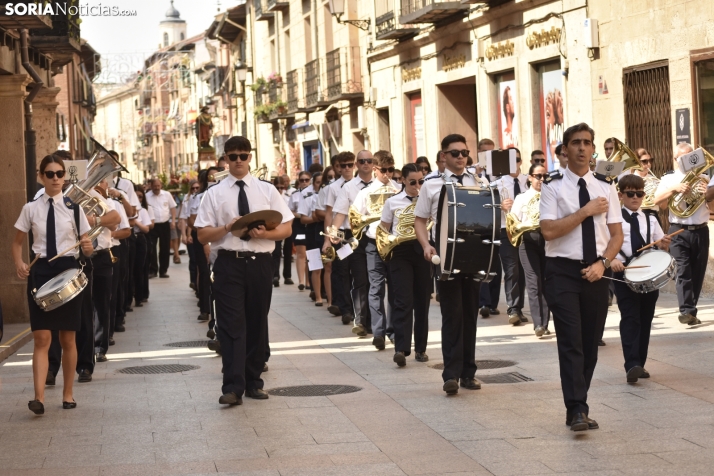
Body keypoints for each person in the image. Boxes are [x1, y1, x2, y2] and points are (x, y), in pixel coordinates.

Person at [195, 136, 293, 405]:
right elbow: (202, 235)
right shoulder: (213, 194)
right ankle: (232, 386)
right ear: (225, 158)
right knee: (230, 325)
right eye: (233, 156)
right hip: (229, 262)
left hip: (260, 262)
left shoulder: (267, 190)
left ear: (250, 157)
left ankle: (254, 382)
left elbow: (286, 227)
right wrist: (227, 227)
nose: (238, 161)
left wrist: (267, 233)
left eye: (243, 155)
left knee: (257, 321)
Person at [540, 122, 624, 431]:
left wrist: (603, 263)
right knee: (571, 341)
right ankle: (576, 408)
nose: (581, 148)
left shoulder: (606, 185)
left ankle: (579, 403)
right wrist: (585, 211)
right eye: (575, 142)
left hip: (596, 271)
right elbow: (548, 230)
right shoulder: (552, 185)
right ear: (565, 149)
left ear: (593, 149)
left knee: (590, 343)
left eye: (587, 142)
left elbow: (616, 236)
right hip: (561, 270)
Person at [12, 155, 94, 414]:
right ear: (41, 176)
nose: (56, 178)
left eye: (60, 174)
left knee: (68, 338)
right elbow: (16, 242)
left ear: (64, 177)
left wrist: (89, 248)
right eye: (50, 174)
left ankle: (68, 394)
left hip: (68, 270)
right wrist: (20, 263)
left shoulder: (74, 208)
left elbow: (86, 248)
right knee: (41, 337)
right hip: (41, 270)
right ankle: (39, 398)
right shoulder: (30, 208)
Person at [415, 133, 482, 396]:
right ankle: (451, 374)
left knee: (470, 314)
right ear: (444, 156)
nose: (461, 157)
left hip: (474, 254)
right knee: (452, 314)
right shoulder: (431, 185)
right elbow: (420, 220)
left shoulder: (478, 181)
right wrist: (426, 245)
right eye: (455, 153)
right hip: (445, 255)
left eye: (465, 153)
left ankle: (469, 372)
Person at [611, 174, 670, 383]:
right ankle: (631, 364)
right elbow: (605, 243)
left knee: (645, 319)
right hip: (624, 274)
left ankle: (640, 364)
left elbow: (660, 244)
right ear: (620, 195)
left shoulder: (651, 217)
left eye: (639, 194)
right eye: (630, 194)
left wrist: (663, 243)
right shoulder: (614, 217)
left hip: (648, 274)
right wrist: (613, 260)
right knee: (630, 317)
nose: (635, 198)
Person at [653, 142, 714, 326]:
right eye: (683, 157)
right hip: (678, 230)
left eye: (690, 155)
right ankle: (686, 310)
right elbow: (658, 203)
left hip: (701, 230)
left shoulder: (704, 178)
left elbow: (711, 209)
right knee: (683, 271)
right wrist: (674, 190)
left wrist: (708, 196)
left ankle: (691, 311)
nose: (687, 159)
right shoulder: (668, 179)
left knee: (698, 273)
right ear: (676, 159)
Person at [345, 150, 399, 348]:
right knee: (375, 288)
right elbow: (356, 218)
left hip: (395, 244)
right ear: (375, 169)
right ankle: (378, 332)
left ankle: (393, 331)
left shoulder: (399, 190)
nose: (387, 174)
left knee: (394, 288)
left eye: (391, 170)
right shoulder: (365, 193)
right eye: (384, 170)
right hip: (373, 243)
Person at [381, 163, 430, 367]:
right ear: (403, 180)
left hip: (424, 251)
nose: (417, 186)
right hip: (400, 252)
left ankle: (420, 349)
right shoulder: (392, 202)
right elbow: (383, 228)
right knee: (402, 300)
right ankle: (401, 348)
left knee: (422, 301)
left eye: (421, 181)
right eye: (413, 182)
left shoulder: (428, 201)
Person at [331, 150, 376, 336]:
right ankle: (361, 321)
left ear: (374, 164)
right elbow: (340, 212)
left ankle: (376, 322)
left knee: (376, 281)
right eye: (362, 161)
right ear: (357, 164)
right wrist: (333, 232)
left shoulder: (383, 185)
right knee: (360, 279)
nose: (366, 164)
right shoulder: (348, 187)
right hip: (355, 237)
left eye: (369, 161)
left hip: (377, 237)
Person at [511, 164, 550, 336]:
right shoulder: (522, 198)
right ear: (530, 177)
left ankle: (545, 322)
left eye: (544, 176)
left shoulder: (551, 196)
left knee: (547, 282)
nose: (541, 180)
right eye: (538, 176)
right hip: (527, 241)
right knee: (533, 282)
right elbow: (513, 221)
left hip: (548, 241)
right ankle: (538, 324)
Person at [494, 148, 528, 325]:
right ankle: (513, 309)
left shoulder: (529, 181)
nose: (514, 163)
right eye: (510, 160)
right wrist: (499, 205)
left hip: (526, 229)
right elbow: (487, 206)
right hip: (505, 229)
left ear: (521, 161)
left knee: (524, 270)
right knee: (511, 269)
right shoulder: (497, 184)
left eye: (517, 159)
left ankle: (519, 307)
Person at [322, 153, 357, 324]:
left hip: (359, 234)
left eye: (350, 165)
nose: (347, 169)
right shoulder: (333, 188)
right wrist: (327, 239)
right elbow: (329, 214)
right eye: (343, 166)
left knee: (358, 272)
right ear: (338, 167)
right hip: (342, 235)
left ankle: (358, 307)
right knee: (341, 271)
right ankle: (345, 309)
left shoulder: (361, 185)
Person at [313, 166, 338, 315]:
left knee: (336, 268)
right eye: (329, 177)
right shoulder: (324, 191)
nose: (332, 179)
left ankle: (335, 299)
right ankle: (321, 297)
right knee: (319, 266)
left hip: (339, 232)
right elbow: (317, 212)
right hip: (318, 231)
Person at [298, 172, 324, 306]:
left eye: (323, 181)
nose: (321, 184)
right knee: (315, 265)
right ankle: (317, 294)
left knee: (329, 266)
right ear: (314, 184)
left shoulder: (330, 195)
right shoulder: (308, 197)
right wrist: (315, 218)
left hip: (326, 230)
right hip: (312, 231)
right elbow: (303, 219)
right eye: (318, 182)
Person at [145, 178, 177, 278]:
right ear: (151, 186)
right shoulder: (147, 196)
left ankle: (163, 270)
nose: (157, 188)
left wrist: (173, 221)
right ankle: (153, 270)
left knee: (165, 247)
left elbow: (172, 208)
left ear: (161, 185)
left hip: (164, 224)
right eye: (155, 186)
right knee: (151, 247)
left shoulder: (167, 194)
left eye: (158, 186)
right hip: (152, 225)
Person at [288, 171, 311, 290]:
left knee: (310, 253)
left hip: (311, 225)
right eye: (301, 180)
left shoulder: (315, 194)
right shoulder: (295, 195)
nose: (304, 182)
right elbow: (289, 210)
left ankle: (308, 281)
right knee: (301, 252)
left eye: (306, 180)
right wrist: (299, 215)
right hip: (299, 225)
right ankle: (301, 281)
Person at [131, 186, 153, 309]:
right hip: (130, 238)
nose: (138, 199)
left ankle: (140, 296)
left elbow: (146, 228)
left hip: (140, 239)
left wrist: (136, 221)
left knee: (140, 268)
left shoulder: (143, 211)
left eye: (140, 197)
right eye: (136, 196)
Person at [272, 176, 294, 286]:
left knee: (287, 252)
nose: (279, 190)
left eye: (281, 187)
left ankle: (287, 276)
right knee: (276, 252)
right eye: (277, 187)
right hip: (275, 226)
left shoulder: (288, 196)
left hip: (287, 225)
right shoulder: (272, 197)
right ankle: (275, 275)